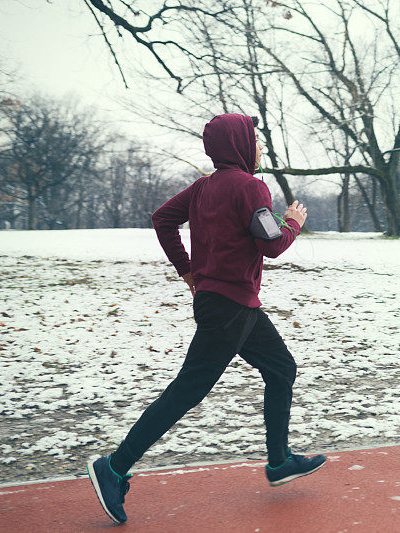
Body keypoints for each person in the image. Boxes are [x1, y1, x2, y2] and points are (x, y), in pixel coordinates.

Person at [86, 113, 325, 525]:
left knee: (281, 368)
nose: (261, 148)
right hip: (230, 309)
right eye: (256, 140)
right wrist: (293, 223)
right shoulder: (251, 187)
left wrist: (187, 270)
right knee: (188, 390)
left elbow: (163, 219)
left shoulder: (203, 188)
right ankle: (114, 467)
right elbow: (271, 245)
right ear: (240, 143)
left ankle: (279, 461)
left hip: (233, 304)